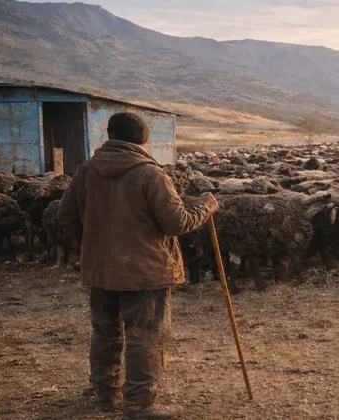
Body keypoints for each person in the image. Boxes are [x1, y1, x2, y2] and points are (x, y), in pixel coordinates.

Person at [58, 112, 219, 419]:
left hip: (100, 270)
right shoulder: (150, 174)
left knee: (105, 331)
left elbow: (64, 216)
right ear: (143, 140)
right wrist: (205, 206)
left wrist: (89, 246)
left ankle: (105, 392)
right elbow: (176, 222)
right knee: (145, 336)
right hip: (144, 272)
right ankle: (140, 404)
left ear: (110, 136)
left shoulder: (87, 170)